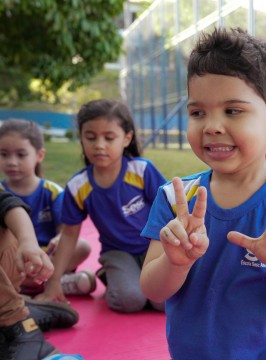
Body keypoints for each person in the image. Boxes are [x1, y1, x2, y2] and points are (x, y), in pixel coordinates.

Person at [140, 27, 266, 359]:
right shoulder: (176, 198)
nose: (212, 126)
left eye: (232, 110)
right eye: (197, 112)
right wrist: (175, 263)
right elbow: (151, 289)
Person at [36, 99, 167, 313]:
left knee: (162, 302)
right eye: (91, 137)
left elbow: (169, 210)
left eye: (109, 137)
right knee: (130, 301)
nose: (99, 145)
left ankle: (131, 277)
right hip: (117, 252)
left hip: (154, 246)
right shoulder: (78, 186)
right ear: (81, 138)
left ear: (126, 138)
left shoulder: (142, 171)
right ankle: (110, 274)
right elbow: (69, 235)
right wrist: (54, 281)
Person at [0, 119, 94, 297]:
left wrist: (58, 239)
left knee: (82, 246)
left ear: (39, 155)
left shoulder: (52, 192)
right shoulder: (1, 193)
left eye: (21, 155)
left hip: (46, 258)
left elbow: (65, 233)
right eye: (4, 154)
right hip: (14, 259)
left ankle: (40, 283)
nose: (12, 162)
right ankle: (56, 284)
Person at [0, 190, 79, 360]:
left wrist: (28, 242)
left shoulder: (50, 191)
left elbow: (8, 204)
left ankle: (19, 325)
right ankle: (19, 307)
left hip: (11, 264)